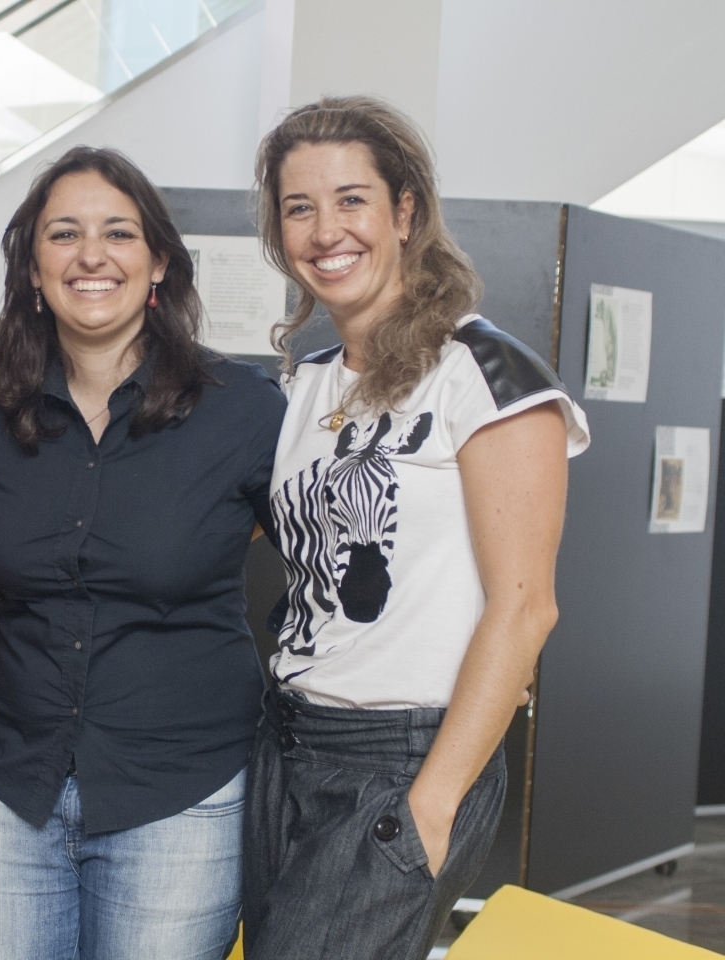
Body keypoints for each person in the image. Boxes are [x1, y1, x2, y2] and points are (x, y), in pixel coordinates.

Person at [243, 96, 591, 960]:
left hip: (400, 756)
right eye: (299, 207)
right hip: (285, 742)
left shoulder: (487, 373)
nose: (326, 230)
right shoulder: (308, 384)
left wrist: (432, 805)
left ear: (404, 213)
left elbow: (525, 607)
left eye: (351, 200)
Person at [0, 146, 287, 960]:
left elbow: (333, 572)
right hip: (16, 790)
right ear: (33, 268)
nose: (91, 255)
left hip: (181, 798)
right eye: (64, 234)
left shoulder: (243, 411)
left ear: (158, 260)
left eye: (118, 233)